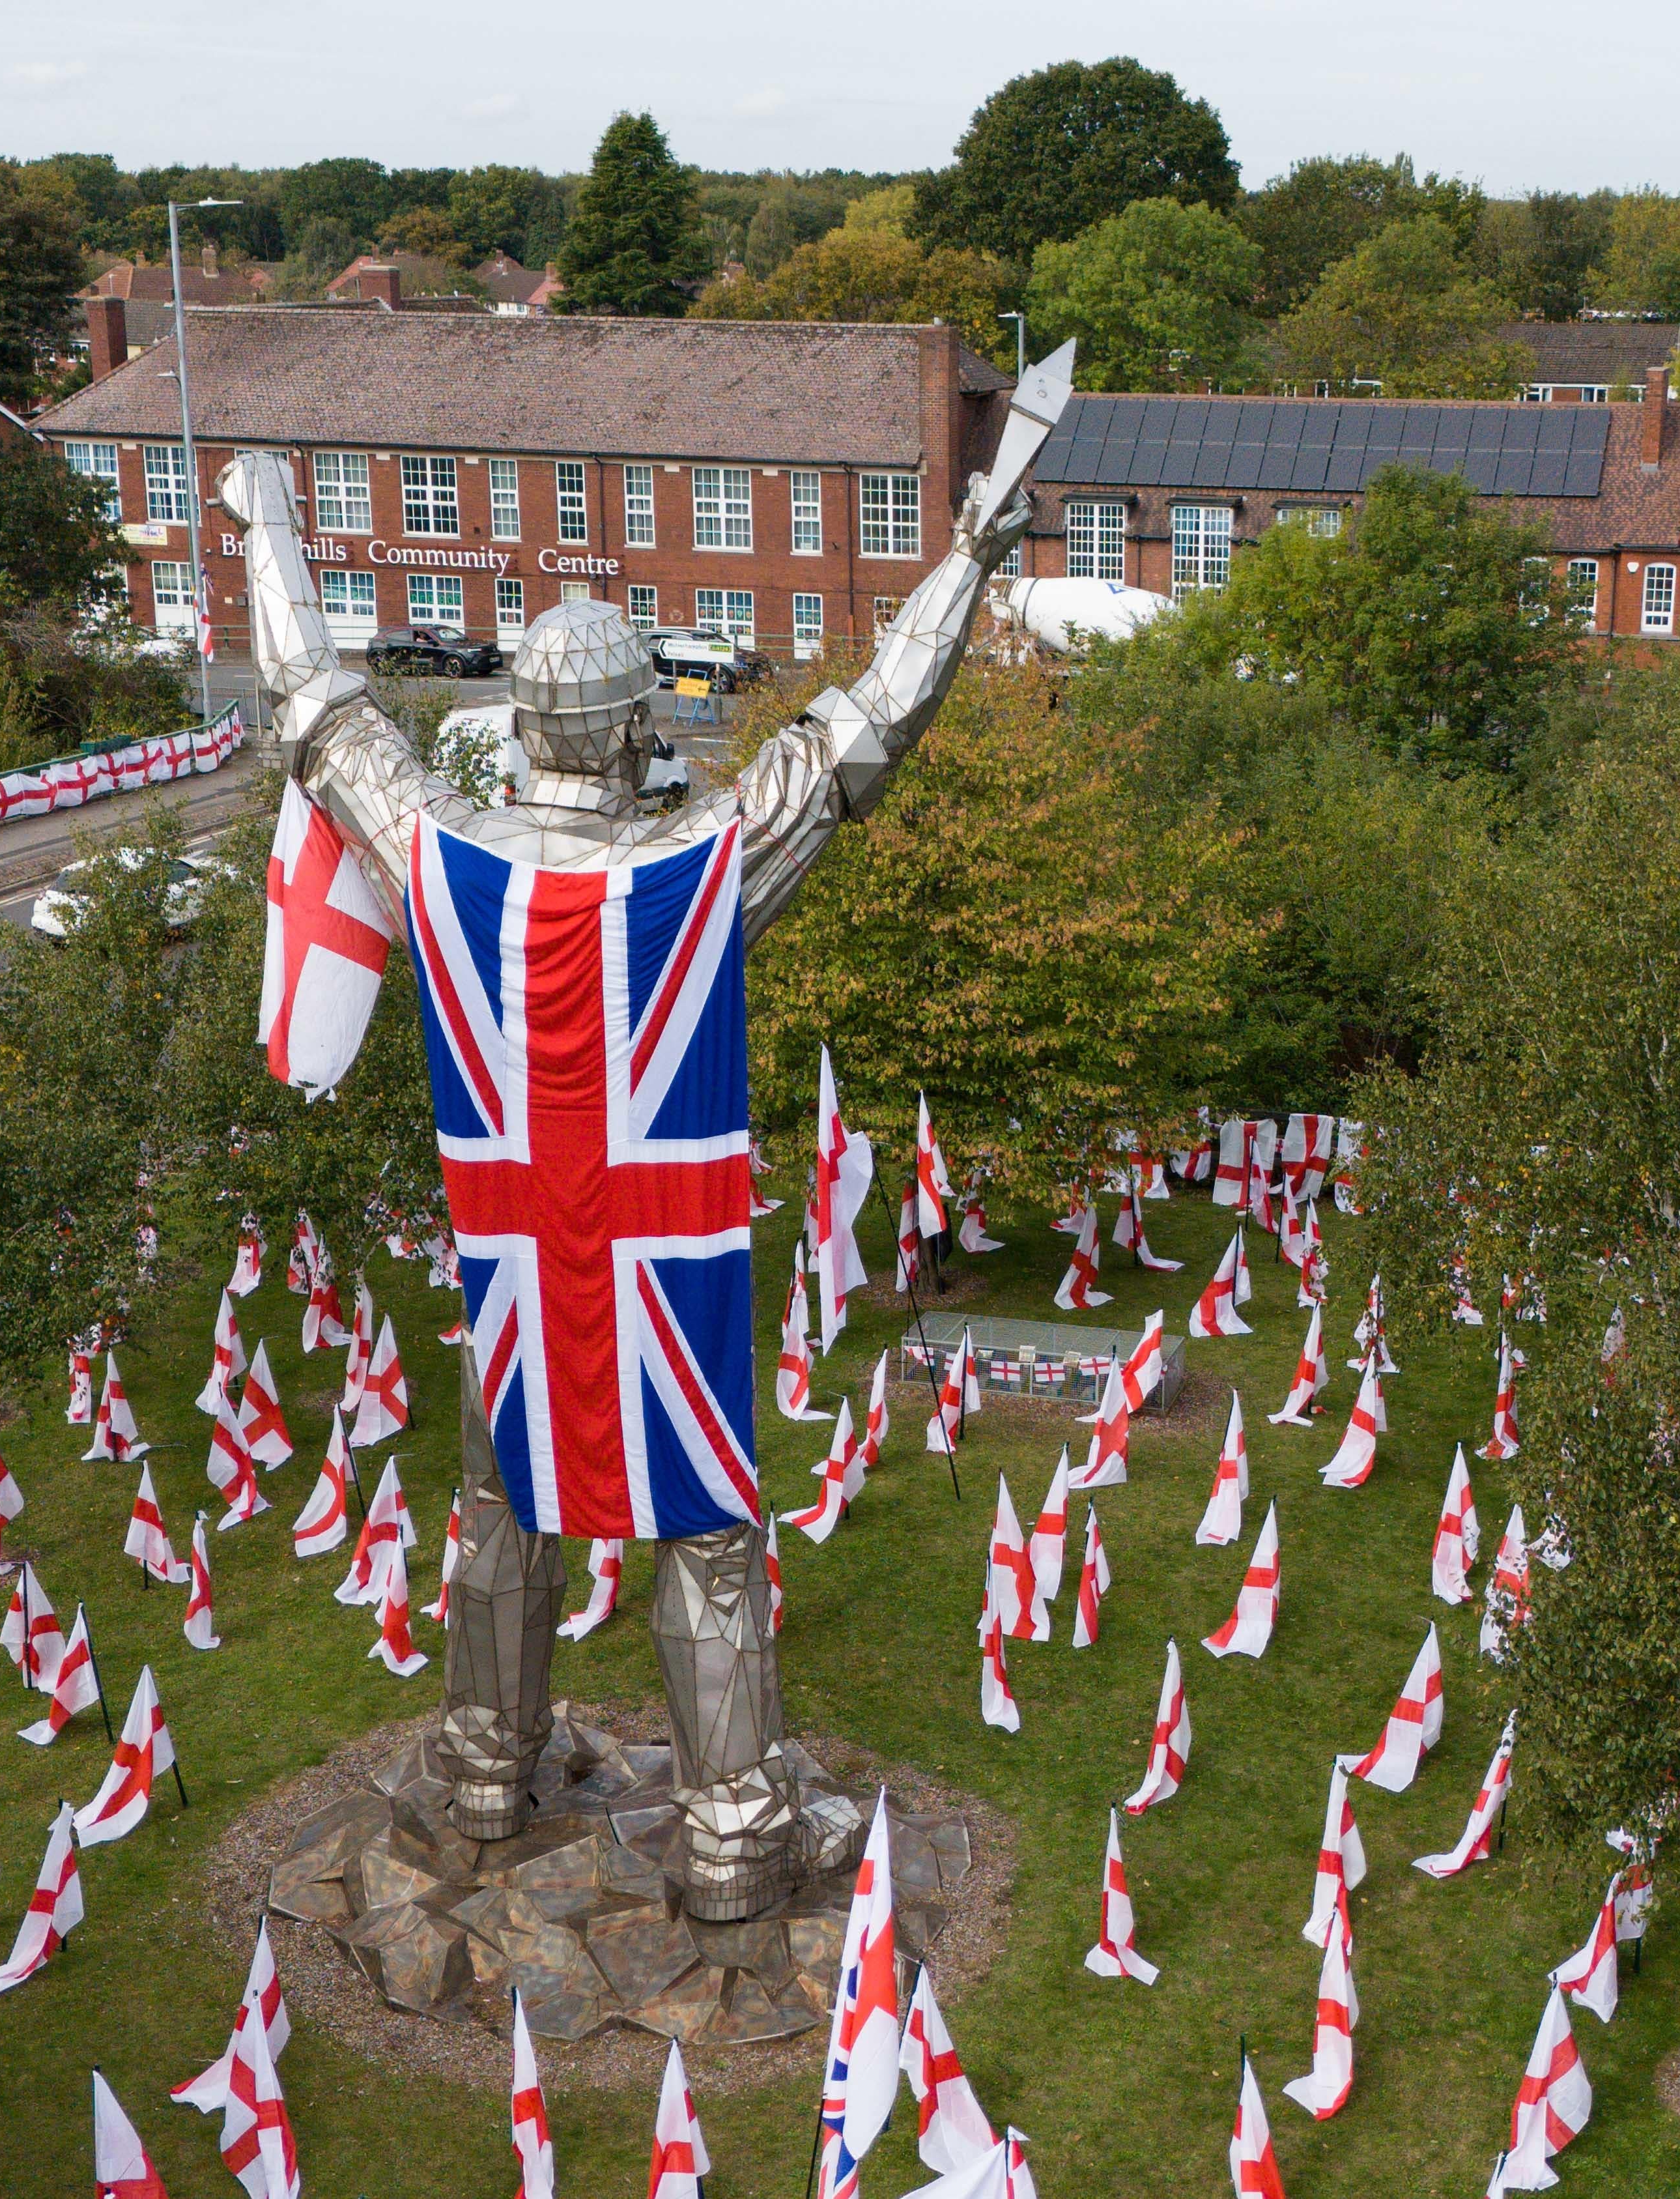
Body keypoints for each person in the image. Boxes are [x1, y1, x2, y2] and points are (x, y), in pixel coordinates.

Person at [218, 345, 1070, 1919]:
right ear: (624, 730)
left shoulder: (439, 859)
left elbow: (316, 707)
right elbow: (868, 727)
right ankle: (734, 1824)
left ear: (529, 726)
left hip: (516, 1268)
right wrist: (974, 550)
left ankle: (486, 1759)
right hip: (663, 1276)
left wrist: (265, 526)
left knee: (501, 1499)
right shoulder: (697, 866)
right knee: (707, 1533)